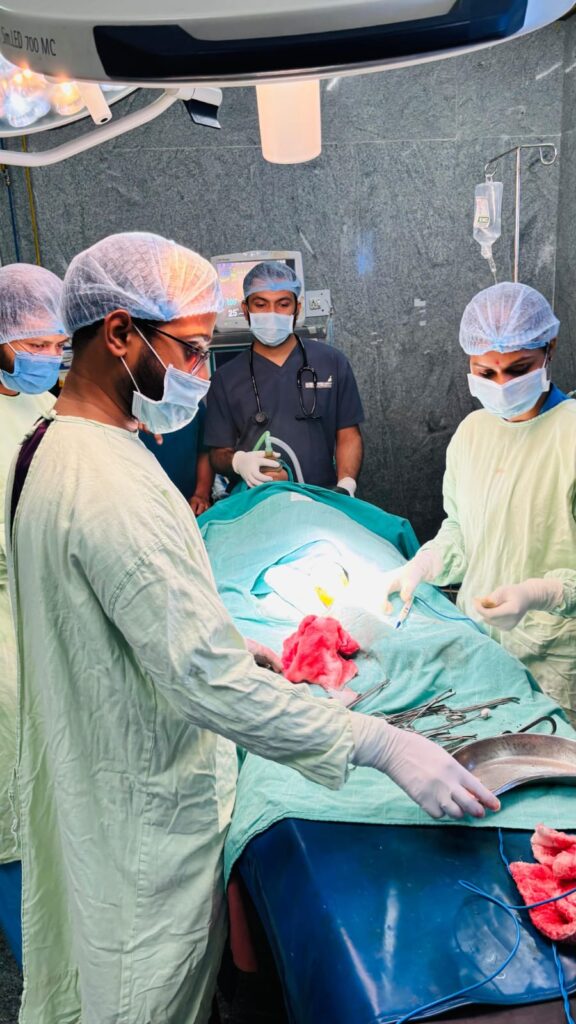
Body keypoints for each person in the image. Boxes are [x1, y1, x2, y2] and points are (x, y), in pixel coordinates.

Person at [6, 232, 497, 1024]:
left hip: (96, 783)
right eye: (193, 350)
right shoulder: (109, 486)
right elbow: (209, 686)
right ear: (120, 332)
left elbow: (113, 611)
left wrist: (229, 639)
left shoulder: (52, 444)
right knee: (138, 1002)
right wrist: (382, 745)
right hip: (141, 823)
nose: (203, 372)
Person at [381, 282, 576, 722]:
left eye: (519, 369)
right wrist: (425, 564)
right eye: (486, 373)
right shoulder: (472, 432)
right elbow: (462, 528)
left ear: (550, 349)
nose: (502, 384)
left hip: (557, 662)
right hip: (480, 649)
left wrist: (540, 593)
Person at [0, 263, 66, 868]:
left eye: (56, 345)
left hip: (44, 607)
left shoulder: (44, 405)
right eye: (34, 345)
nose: (48, 357)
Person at [205, 261, 364, 494]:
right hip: (259, 501)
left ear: (297, 309)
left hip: (323, 497)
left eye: (283, 304)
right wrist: (239, 462)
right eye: (261, 304)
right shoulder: (225, 378)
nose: (272, 313)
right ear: (245, 309)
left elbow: (348, 434)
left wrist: (346, 486)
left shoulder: (332, 362)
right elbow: (218, 453)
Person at [139, 402, 215, 516]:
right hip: (142, 504)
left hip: (187, 505)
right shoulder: (127, 406)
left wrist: (201, 495)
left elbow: (205, 452)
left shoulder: (191, 402)